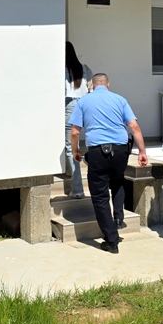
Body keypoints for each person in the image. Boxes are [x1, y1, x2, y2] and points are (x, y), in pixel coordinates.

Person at [69, 74, 148, 253]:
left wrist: (75, 151)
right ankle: (118, 218)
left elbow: (75, 132)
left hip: (98, 152)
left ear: (92, 85)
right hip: (121, 150)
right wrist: (142, 151)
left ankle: (112, 240)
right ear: (108, 85)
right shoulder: (120, 100)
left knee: (100, 196)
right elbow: (134, 126)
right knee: (118, 180)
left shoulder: (83, 101)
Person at [64, 42, 93, 198]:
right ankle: (73, 174)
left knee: (71, 147)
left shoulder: (61, 69)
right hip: (84, 105)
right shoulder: (85, 69)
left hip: (69, 105)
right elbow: (91, 89)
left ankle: (77, 189)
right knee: (81, 143)